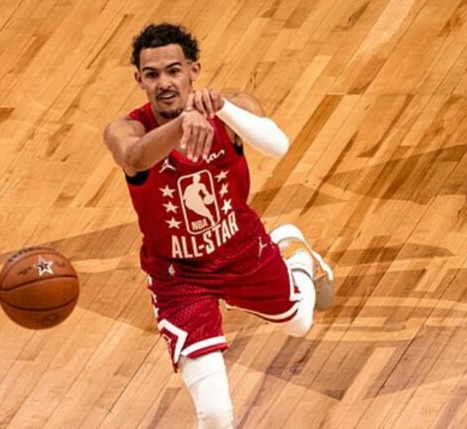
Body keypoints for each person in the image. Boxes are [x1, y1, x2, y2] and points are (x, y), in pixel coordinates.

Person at [103, 23, 334, 429]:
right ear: (139, 79)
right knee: (213, 411)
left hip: (241, 249)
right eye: (152, 75)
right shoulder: (128, 129)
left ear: (194, 69)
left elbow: (278, 147)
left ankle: (293, 251)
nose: (164, 83)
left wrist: (220, 111)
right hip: (179, 276)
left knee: (300, 321)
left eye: (173, 71)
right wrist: (180, 125)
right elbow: (135, 158)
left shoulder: (231, 106)